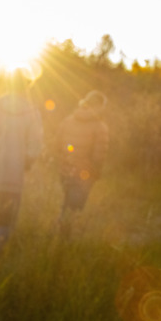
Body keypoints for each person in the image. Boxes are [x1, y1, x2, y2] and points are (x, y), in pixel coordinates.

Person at [0, 68, 43, 268]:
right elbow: (34, 149)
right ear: (27, 86)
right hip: (11, 180)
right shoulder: (32, 113)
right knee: (5, 224)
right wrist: (24, 165)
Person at [55, 90, 109, 235]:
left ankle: (61, 235)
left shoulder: (68, 120)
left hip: (66, 170)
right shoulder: (100, 127)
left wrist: (64, 161)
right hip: (85, 173)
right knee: (75, 207)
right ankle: (65, 237)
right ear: (100, 107)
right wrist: (95, 172)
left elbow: (58, 144)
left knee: (67, 201)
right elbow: (99, 156)